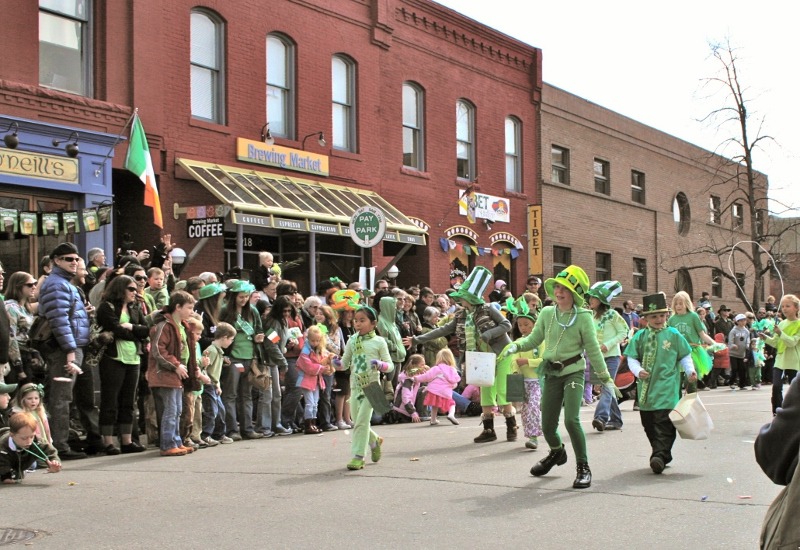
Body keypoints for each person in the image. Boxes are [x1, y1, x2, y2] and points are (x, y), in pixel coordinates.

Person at [504, 265, 615, 489]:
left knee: (571, 419)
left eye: (564, 288)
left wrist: (605, 377)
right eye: (557, 287)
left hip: (573, 371)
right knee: (547, 426)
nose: (559, 291)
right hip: (551, 372)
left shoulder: (584, 317)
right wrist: (514, 346)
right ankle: (556, 452)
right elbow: (533, 340)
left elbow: (593, 349)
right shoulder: (546, 313)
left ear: (574, 293)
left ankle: (583, 466)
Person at [410, 267, 514, 443]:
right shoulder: (460, 315)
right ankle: (489, 430)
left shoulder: (488, 309)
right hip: (481, 358)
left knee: (502, 390)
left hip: (501, 354)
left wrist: (489, 334)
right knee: (486, 391)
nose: (459, 300)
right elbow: (442, 330)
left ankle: (511, 428)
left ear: (470, 298)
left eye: (463, 297)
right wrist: (417, 339)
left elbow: (506, 325)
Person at [624, 293, 696, 474]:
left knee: (664, 421)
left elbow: (684, 355)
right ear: (646, 318)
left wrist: (690, 371)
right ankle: (662, 453)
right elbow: (632, 357)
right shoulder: (640, 336)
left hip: (668, 386)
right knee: (649, 423)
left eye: (662, 316)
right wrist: (637, 371)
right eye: (654, 316)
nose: (658, 319)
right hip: (647, 389)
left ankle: (659, 455)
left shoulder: (673, 334)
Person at [37, 242, 95, 460]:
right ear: (55, 261)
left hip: (72, 347)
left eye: (76, 258)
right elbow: (59, 321)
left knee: (65, 398)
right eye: (68, 259)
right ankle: (58, 447)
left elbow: (68, 316)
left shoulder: (64, 284)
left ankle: (62, 442)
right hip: (64, 350)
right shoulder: (56, 285)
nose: (74, 262)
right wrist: (70, 350)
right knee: (60, 398)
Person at [96, 275, 150, 455]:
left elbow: (146, 329)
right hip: (113, 358)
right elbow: (115, 329)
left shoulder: (135, 307)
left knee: (129, 401)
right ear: (120, 289)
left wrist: (131, 328)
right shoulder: (106, 307)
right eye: (131, 289)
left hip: (133, 358)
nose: (135, 292)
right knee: (110, 400)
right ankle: (108, 442)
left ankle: (127, 440)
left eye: (136, 289)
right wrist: (133, 331)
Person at [147, 290, 199, 457]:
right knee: (171, 410)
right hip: (167, 373)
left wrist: (192, 368)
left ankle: (176, 441)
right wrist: (176, 365)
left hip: (178, 373)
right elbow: (158, 350)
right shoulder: (164, 326)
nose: (192, 311)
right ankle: (168, 444)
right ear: (178, 307)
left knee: (177, 410)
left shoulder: (183, 326)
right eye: (189, 308)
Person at [340, 306, 392, 470]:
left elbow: (390, 365)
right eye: (356, 320)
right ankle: (375, 440)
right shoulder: (352, 340)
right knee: (358, 422)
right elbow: (344, 363)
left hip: (372, 387)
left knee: (361, 422)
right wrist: (332, 362)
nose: (358, 324)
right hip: (355, 387)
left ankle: (358, 456)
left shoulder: (379, 341)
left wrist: (380, 364)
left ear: (373, 323)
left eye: (362, 320)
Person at [219, 280, 266, 440]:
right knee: (230, 394)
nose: (244, 300)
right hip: (233, 358)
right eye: (241, 297)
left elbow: (260, 329)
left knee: (246, 395)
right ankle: (232, 429)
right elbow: (219, 332)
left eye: (246, 296)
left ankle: (247, 429)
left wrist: (259, 337)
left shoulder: (252, 311)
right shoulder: (225, 311)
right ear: (233, 296)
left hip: (250, 358)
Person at [586, 281, 628, 432]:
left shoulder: (612, 315)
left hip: (612, 357)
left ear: (602, 300)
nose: (590, 300)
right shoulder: (590, 316)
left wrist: (608, 344)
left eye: (594, 298)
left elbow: (624, 331)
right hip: (596, 358)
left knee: (607, 386)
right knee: (607, 387)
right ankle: (616, 420)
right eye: (590, 297)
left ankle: (601, 417)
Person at [506, 296, 543, 449]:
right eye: (520, 325)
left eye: (526, 324)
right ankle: (531, 435)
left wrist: (529, 362)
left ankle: (534, 436)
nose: (523, 327)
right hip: (523, 382)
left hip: (538, 381)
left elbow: (544, 360)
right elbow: (513, 360)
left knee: (534, 406)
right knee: (526, 410)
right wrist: (515, 370)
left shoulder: (541, 341)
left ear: (535, 324)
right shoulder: (517, 342)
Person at [759, 294, 800, 415]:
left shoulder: (798, 324)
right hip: (780, 360)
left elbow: (792, 342)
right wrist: (765, 338)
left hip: (793, 361)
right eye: (782, 306)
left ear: (796, 308)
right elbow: (776, 343)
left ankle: (795, 411)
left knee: (795, 389)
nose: (785, 309)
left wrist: (780, 333)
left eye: (788, 306)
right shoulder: (781, 324)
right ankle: (777, 411)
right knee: (776, 386)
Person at [668, 291, 717, 391]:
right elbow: (669, 338)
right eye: (676, 304)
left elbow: (702, 335)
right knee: (677, 380)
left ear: (686, 303)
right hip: (677, 352)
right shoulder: (672, 319)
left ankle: (691, 399)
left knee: (690, 378)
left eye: (681, 303)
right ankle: (677, 403)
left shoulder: (693, 316)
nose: (678, 306)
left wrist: (715, 344)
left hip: (692, 351)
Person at [200, 322, 236, 445]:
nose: (231, 342)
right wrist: (210, 381)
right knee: (211, 411)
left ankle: (219, 434)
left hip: (214, 384)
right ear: (224, 337)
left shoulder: (218, 351)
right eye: (231, 339)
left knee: (220, 410)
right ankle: (205, 434)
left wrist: (218, 384)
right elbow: (203, 367)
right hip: (208, 384)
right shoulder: (212, 351)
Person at [296, 325, 336, 434]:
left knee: (315, 403)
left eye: (318, 340)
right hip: (306, 380)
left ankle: (313, 423)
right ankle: (308, 424)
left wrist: (331, 357)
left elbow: (325, 356)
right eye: (313, 340)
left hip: (316, 380)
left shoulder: (319, 349)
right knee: (310, 403)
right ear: (308, 339)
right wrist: (322, 368)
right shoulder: (305, 351)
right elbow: (309, 367)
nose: (315, 343)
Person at [0, 412, 61, 483]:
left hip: (19, 461)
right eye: (24, 438)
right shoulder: (3, 446)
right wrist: (6, 477)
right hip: (5, 462)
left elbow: (49, 451)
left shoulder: (36, 441)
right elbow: (2, 463)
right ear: (12, 435)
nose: (29, 442)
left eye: (31, 436)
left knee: (32, 466)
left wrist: (54, 462)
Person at [4, 272, 42, 385]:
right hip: (13, 359)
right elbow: (11, 337)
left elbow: (28, 335)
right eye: (29, 285)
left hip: (26, 355)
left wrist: (34, 353)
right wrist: (19, 367)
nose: (34, 287)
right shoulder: (10, 307)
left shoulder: (26, 308)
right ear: (18, 286)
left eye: (35, 283)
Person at [412, 348, 460, 425]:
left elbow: (427, 376)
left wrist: (416, 378)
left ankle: (433, 420)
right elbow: (455, 381)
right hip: (445, 392)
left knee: (435, 405)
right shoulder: (452, 370)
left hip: (434, 391)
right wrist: (452, 386)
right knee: (452, 403)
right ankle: (451, 414)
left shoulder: (436, 368)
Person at [315, 304, 343, 431]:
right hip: (313, 364)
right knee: (313, 395)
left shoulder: (335, 330)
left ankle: (326, 421)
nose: (318, 316)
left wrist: (324, 337)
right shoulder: (313, 328)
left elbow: (337, 350)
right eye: (317, 313)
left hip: (327, 365)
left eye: (321, 314)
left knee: (326, 394)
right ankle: (313, 421)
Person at [391, 354, 427, 422]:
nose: (424, 367)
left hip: (409, 406)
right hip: (402, 411)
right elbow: (406, 398)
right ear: (415, 366)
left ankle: (422, 414)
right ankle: (420, 415)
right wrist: (413, 412)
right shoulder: (408, 379)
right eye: (422, 365)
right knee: (424, 390)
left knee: (424, 389)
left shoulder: (415, 375)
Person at [728, 313, 752, 391]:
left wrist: (748, 345)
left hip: (742, 354)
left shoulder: (746, 331)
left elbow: (748, 340)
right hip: (733, 354)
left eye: (744, 320)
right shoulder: (733, 331)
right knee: (734, 368)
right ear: (737, 322)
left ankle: (742, 384)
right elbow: (730, 342)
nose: (743, 322)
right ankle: (731, 382)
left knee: (742, 369)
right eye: (741, 321)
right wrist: (733, 345)